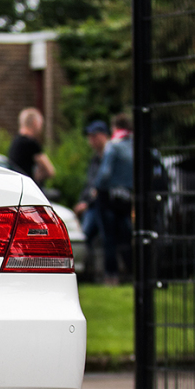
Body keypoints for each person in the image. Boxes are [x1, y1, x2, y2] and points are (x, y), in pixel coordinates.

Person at [94, 113, 134, 285]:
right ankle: (132, 272)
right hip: (127, 197)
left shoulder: (113, 146)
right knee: (126, 236)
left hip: (109, 198)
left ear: (115, 127)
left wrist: (97, 187)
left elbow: (105, 173)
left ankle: (111, 276)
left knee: (109, 238)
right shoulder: (134, 145)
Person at [74, 120, 110, 268]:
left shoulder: (109, 157)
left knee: (89, 236)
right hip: (93, 205)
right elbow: (89, 185)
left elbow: (101, 185)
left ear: (103, 136)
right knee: (88, 237)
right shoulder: (95, 160)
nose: (91, 140)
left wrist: (86, 203)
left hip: (104, 204)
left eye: (93, 136)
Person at [7, 107, 55, 186]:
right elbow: (50, 170)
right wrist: (38, 177)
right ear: (35, 123)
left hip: (15, 185)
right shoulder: (31, 144)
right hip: (28, 187)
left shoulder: (15, 141)